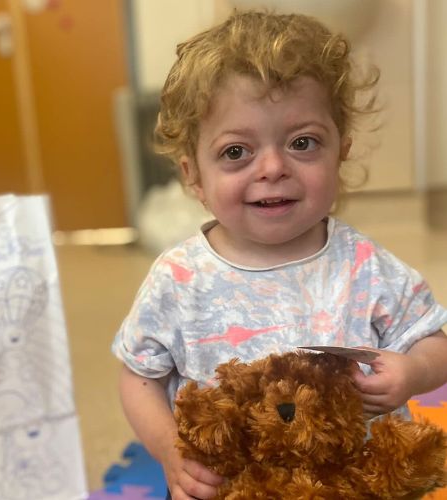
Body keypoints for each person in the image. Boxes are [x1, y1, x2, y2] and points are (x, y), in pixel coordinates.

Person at [113, 10, 447, 500]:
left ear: (342, 151)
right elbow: (139, 376)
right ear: (193, 175)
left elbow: (433, 342)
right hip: (231, 486)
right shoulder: (179, 276)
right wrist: (169, 449)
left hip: (352, 481)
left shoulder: (365, 265)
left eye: (302, 143)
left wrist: (414, 372)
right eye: (235, 153)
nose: (272, 168)